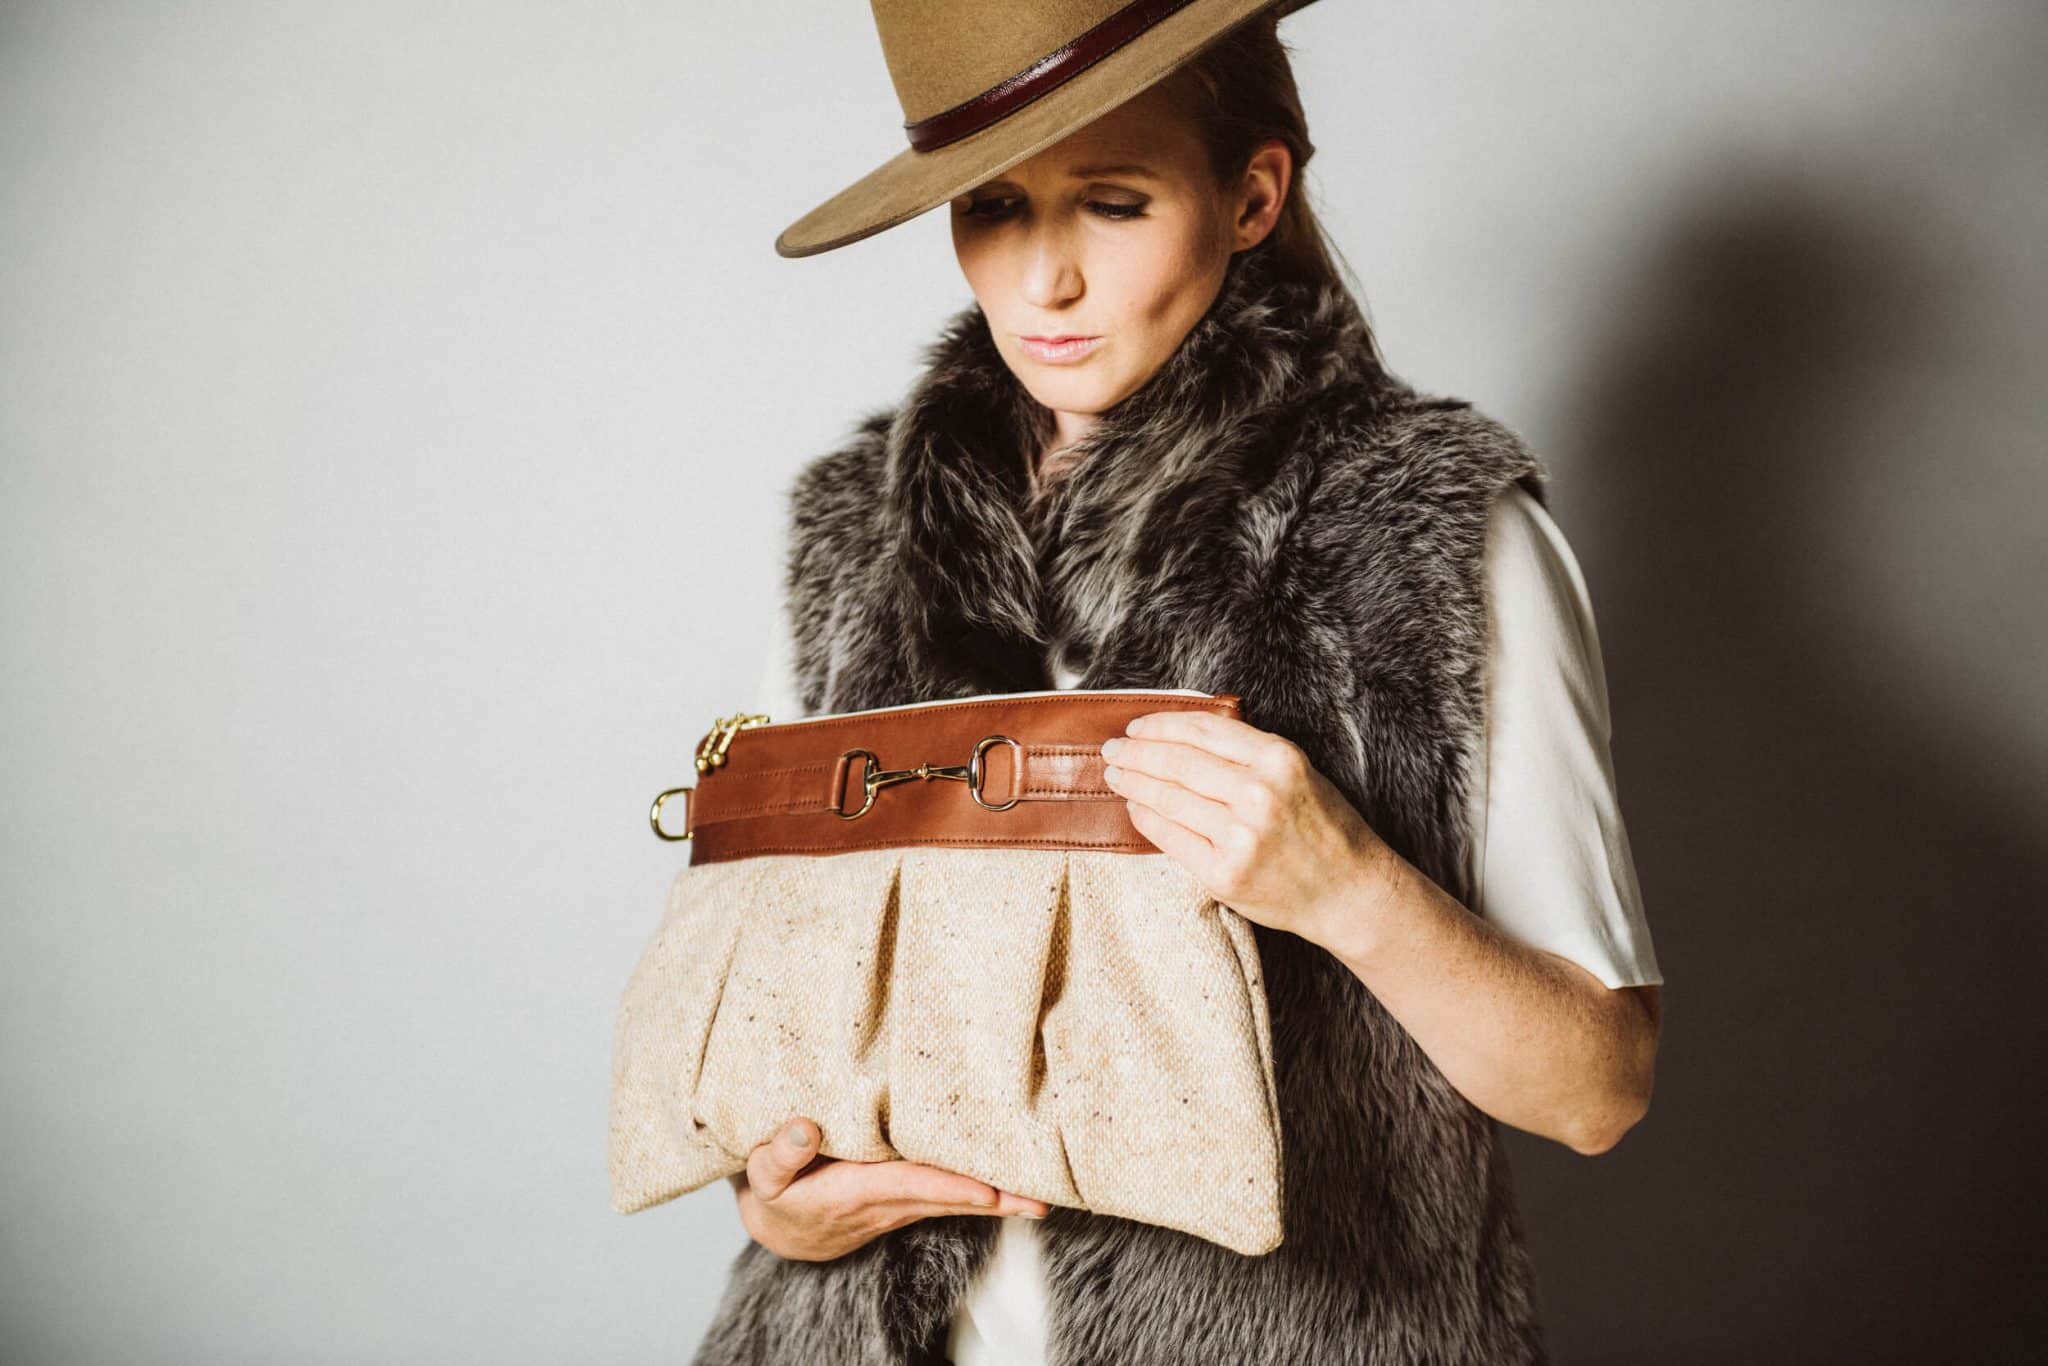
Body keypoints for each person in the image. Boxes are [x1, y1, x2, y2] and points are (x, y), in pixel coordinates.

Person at [694, 3, 1663, 1363]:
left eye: (1112, 201)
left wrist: (1346, 884)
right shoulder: (854, 532)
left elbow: (1596, 1085)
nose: (1044, 280)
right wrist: (777, 1198)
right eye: (992, 203)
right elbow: (766, 1040)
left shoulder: (1433, 529)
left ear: (1252, 191)